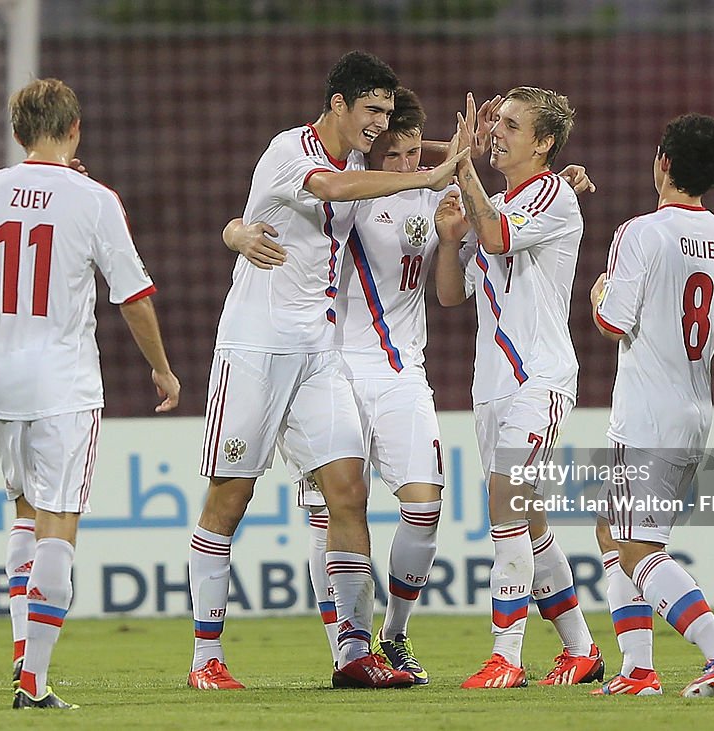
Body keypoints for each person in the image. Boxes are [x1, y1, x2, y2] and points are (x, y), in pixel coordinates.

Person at [189, 51, 467, 691]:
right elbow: (333, 191)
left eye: (386, 114)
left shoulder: (358, 161)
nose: (379, 125)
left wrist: (448, 157)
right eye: (370, 110)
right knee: (230, 500)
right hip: (255, 349)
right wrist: (426, 177)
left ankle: (353, 653)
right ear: (337, 104)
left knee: (349, 493)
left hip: (319, 356)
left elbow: (388, 160)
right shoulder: (292, 149)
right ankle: (206, 658)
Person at [0, 78, 181, 709]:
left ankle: (20, 661)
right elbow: (133, 296)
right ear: (76, 127)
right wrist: (162, 370)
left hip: (1, 374)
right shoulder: (95, 199)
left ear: (17, 131)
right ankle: (34, 684)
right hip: (64, 379)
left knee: (25, 513)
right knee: (60, 522)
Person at [588, 113, 714, 697]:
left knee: (637, 546)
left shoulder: (640, 232)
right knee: (614, 535)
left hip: (647, 413)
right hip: (694, 412)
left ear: (665, 163)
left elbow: (611, 322)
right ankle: (638, 671)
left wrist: (601, 292)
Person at [433, 87, 602, 689]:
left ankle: (506, 656)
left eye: (510, 124)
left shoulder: (553, 194)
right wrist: (451, 240)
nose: (496, 132)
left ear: (543, 143)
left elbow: (503, 237)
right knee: (526, 522)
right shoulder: (496, 206)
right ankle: (581, 649)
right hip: (492, 387)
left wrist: (464, 170)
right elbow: (451, 296)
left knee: (504, 511)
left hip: (538, 379)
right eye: (495, 122)